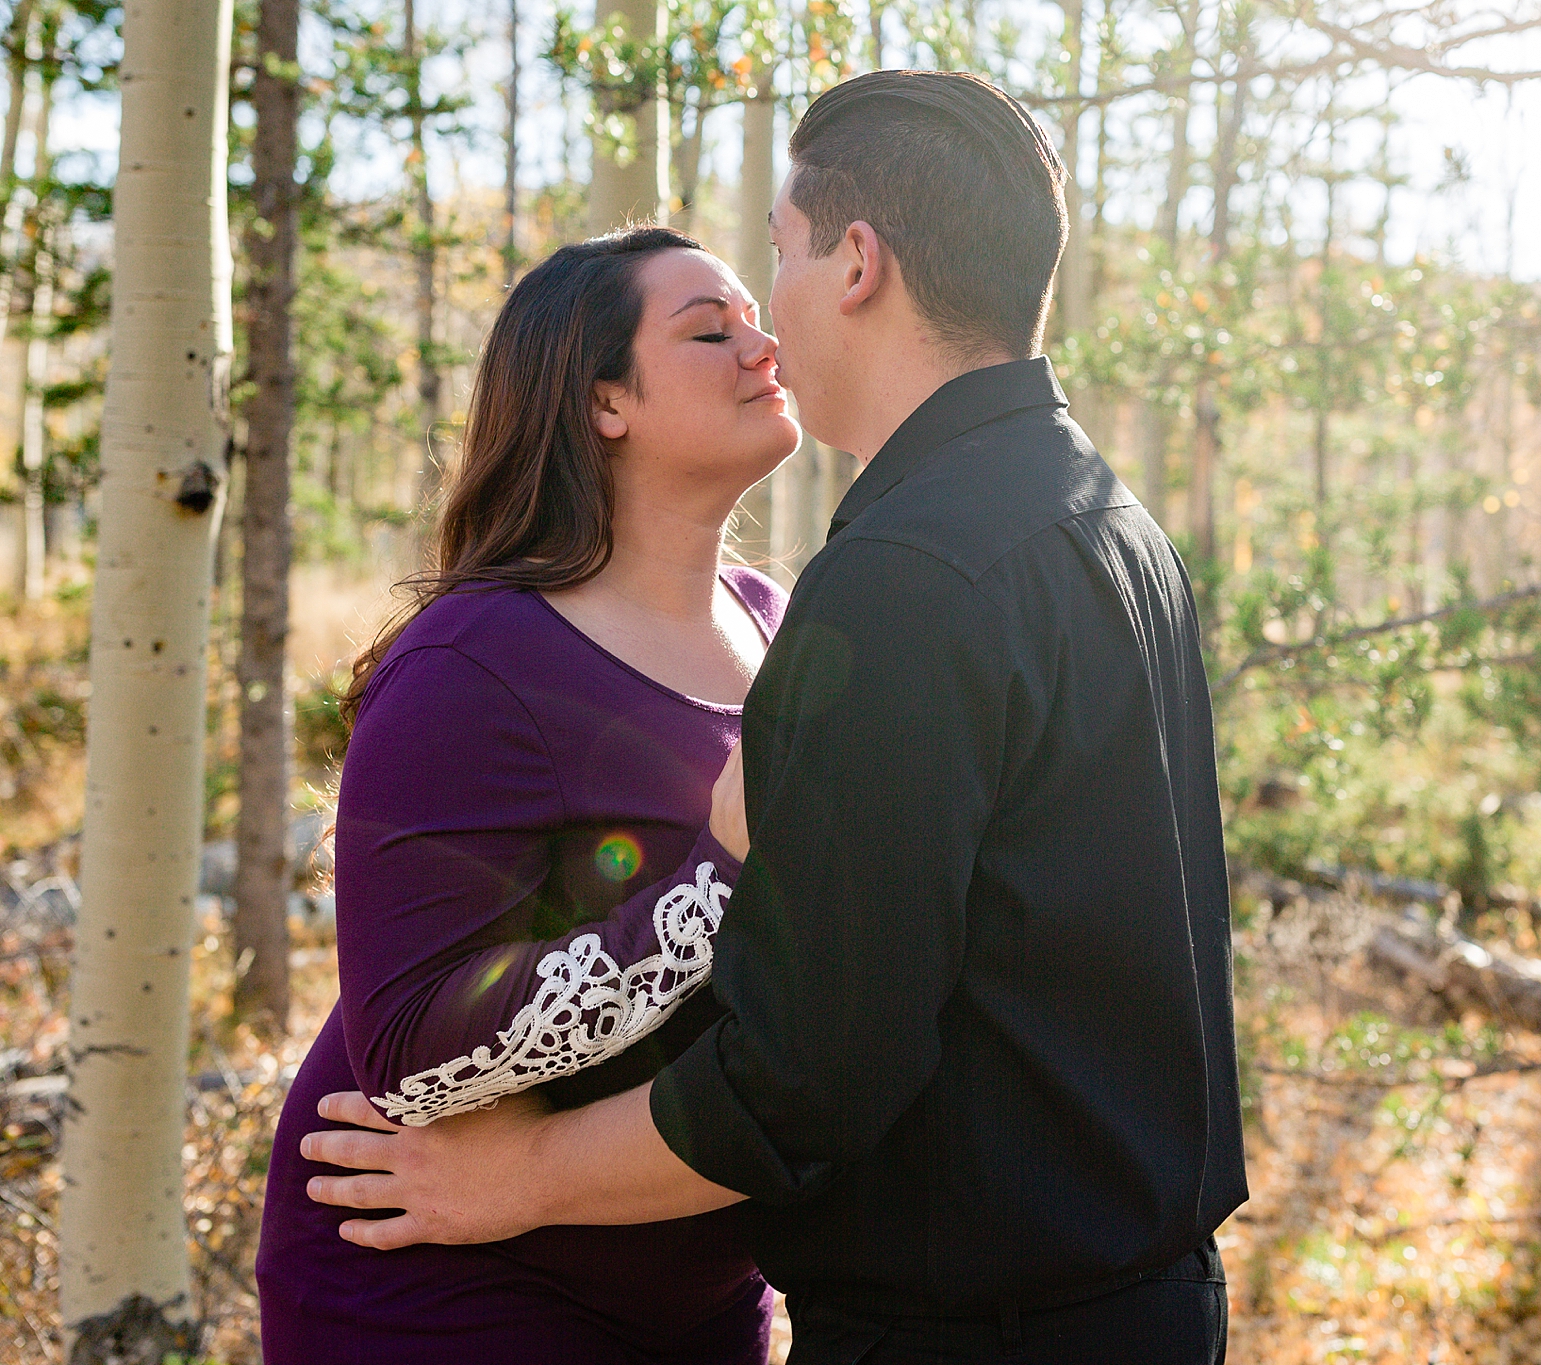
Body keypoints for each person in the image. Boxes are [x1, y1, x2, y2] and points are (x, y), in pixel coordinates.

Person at [303, 70, 1249, 1365]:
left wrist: (515, 1176)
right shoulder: (1101, 522)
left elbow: (801, 1080)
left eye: (782, 263)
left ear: (856, 264)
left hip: (979, 1324)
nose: (769, 327)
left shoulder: (903, 577)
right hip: (1095, 1293)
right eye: (716, 320)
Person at [256, 227, 800, 1364]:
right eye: (711, 330)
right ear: (605, 403)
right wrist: (715, 881)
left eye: (756, 318)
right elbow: (407, 1052)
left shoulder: (778, 617)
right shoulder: (475, 659)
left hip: (694, 1279)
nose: (764, 345)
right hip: (442, 1279)